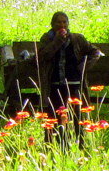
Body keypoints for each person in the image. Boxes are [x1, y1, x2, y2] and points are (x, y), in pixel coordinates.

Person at [36, 12, 103, 140]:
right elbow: (43, 57)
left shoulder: (77, 39)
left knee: (76, 117)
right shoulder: (47, 39)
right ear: (52, 24)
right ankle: (55, 146)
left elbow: (95, 52)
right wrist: (57, 41)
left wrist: (84, 66)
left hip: (74, 85)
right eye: (58, 22)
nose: (62, 25)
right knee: (54, 117)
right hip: (55, 85)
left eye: (64, 22)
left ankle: (80, 144)